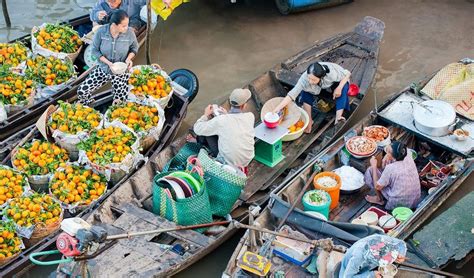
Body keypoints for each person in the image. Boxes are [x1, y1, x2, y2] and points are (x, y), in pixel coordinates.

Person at [77, 10, 138, 106]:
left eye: (127, 25)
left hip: (121, 70)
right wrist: (109, 64)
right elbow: (95, 50)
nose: (127, 28)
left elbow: (134, 47)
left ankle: (117, 107)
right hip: (103, 68)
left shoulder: (130, 32)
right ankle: (90, 105)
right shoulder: (101, 32)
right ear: (114, 25)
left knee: (120, 100)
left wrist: (129, 59)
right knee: (82, 91)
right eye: (123, 26)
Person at [273, 62, 351, 133]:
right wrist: (277, 109)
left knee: (343, 89)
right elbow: (291, 94)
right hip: (318, 87)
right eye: (309, 78)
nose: (310, 81)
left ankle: (338, 118)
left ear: (321, 77)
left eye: (313, 79)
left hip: (336, 82)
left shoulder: (331, 74)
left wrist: (339, 88)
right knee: (305, 91)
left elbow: (347, 74)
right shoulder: (305, 78)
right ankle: (309, 119)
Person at [191, 88, 255, 168]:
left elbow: (197, 128)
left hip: (227, 163)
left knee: (208, 128)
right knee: (219, 129)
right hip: (246, 160)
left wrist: (206, 115)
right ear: (244, 105)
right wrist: (227, 114)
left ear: (229, 101)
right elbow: (235, 122)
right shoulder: (250, 116)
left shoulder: (221, 120)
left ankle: (199, 143)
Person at [364, 141, 421, 210]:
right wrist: (386, 156)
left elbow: (377, 186)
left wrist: (374, 165)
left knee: (371, 170)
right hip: (414, 199)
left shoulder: (391, 168)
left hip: (398, 202)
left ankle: (379, 199)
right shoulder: (408, 153)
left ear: (393, 157)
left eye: (388, 152)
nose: (387, 153)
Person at [339, 234, 407, 278]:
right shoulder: (357, 259)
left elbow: (401, 244)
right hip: (351, 271)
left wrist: (401, 254)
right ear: (372, 259)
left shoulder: (380, 238)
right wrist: (371, 275)